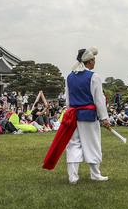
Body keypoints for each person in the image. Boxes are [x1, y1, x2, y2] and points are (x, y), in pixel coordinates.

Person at [43, 47, 110, 183]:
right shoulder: (94, 77)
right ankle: (95, 174)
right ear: (90, 61)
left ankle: (73, 177)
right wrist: (104, 118)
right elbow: (99, 100)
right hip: (88, 116)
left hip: (73, 114)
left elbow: (68, 100)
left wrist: (70, 112)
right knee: (92, 144)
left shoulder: (69, 77)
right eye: (94, 59)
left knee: (73, 144)